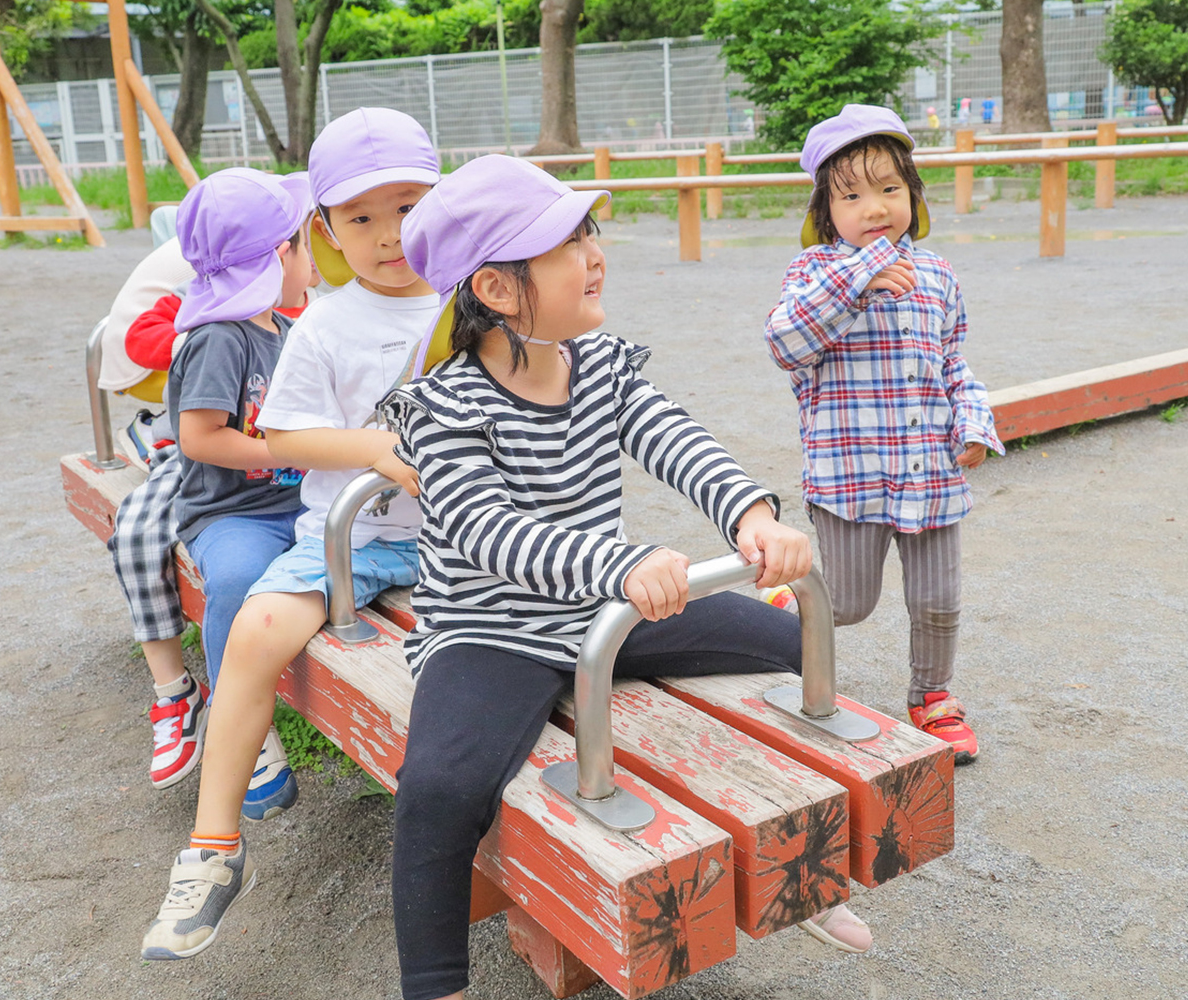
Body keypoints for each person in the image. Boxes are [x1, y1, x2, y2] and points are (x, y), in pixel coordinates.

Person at [378, 155, 868, 1000]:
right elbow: (485, 530)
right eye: (567, 243)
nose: (594, 253)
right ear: (495, 290)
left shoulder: (599, 363)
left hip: (604, 612)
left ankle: (797, 868)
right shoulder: (448, 406)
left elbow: (674, 438)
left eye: (588, 233)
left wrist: (751, 515)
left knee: (790, 641)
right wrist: (622, 562)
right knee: (440, 787)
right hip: (495, 630)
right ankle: (433, 983)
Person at [139, 107, 441, 961]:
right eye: (362, 218)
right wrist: (375, 450)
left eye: (410, 207)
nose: (390, 235)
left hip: (464, 539)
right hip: (355, 540)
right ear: (324, 229)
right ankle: (214, 847)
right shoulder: (324, 325)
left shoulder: (475, 300)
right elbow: (283, 437)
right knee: (256, 630)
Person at [762, 104, 1004, 767]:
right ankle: (781, 604)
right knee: (846, 603)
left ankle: (933, 696)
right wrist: (857, 279)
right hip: (852, 476)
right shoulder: (813, 274)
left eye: (890, 189)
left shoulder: (937, 276)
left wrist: (973, 421)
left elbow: (954, 364)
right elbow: (785, 342)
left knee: (937, 600)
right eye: (852, 195)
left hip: (930, 475)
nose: (874, 208)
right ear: (825, 209)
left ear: (914, 196)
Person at [105, 216, 318, 790]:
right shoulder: (220, 336)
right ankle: (237, 725)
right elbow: (199, 439)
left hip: (298, 496)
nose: (316, 262)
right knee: (237, 578)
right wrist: (294, 449)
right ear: (279, 255)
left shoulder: (285, 324)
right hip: (235, 510)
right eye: (308, 248)